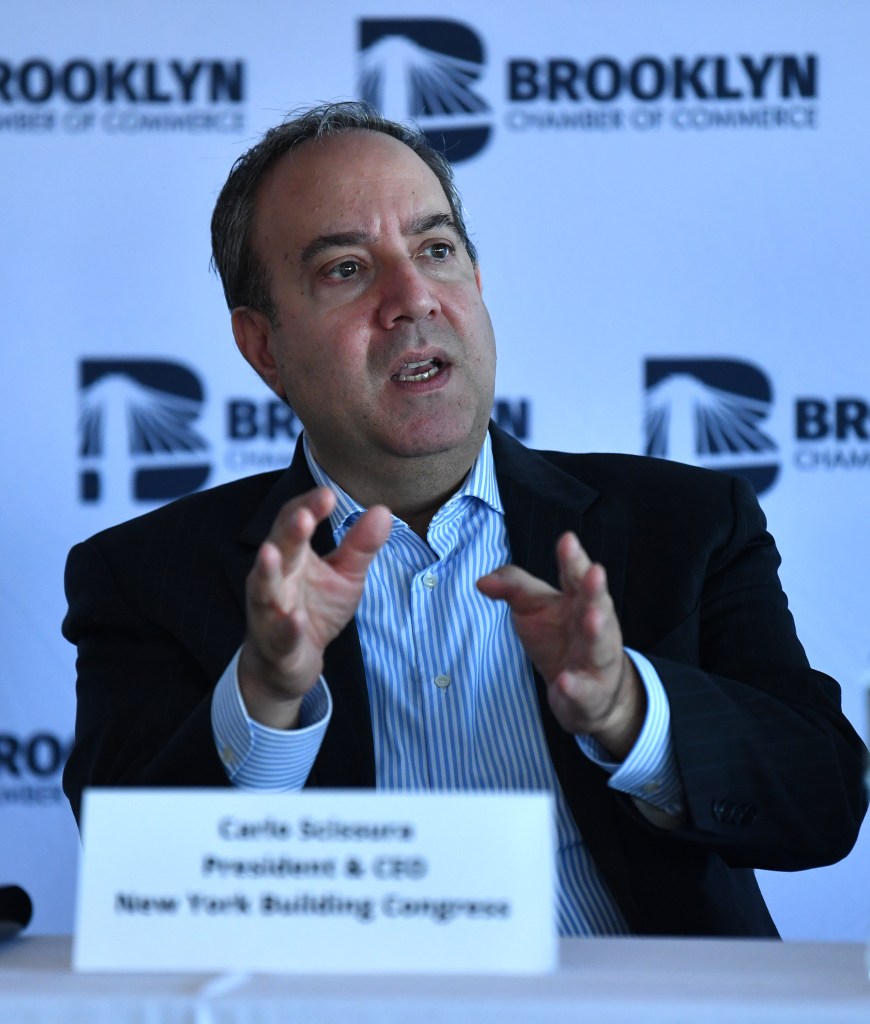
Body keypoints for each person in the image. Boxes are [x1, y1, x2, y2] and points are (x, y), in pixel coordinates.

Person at [62, 101, 867, 937]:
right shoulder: (145, 575)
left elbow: (823, 803)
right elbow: (136, 871)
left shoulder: (686, 524)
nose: (413, 298)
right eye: (346, 268)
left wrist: (630, 709)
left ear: (476, 287)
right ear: (263, 346)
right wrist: (264, 695)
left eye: (436, 250)